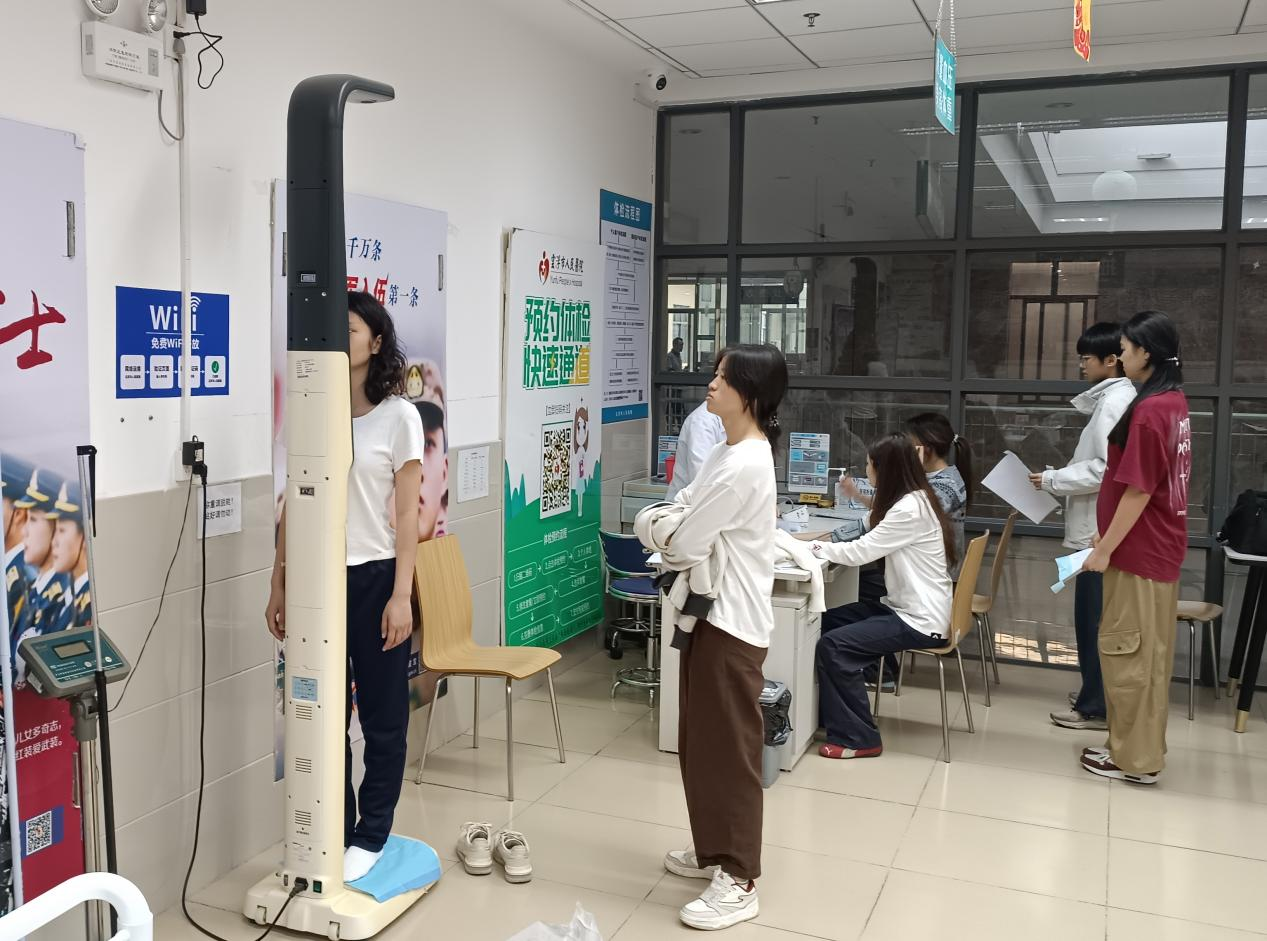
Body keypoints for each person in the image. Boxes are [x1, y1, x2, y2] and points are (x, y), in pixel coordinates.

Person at [265, 291, 425, 881]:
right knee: (320, 713)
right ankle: (333, 826)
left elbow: (406, 516)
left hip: (375, 578)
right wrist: (279, 582)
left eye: (350, 328)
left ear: (376, 343)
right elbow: (293, 504)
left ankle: (372, 832)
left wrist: (402, 596)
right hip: (315, 579)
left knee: (382, 718)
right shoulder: (311, 409)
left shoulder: (400, 417)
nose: (338, 336)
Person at [654, 344, 787, 931]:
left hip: (730, 625)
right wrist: (671, 523)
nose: (710, 384)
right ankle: (713, 849)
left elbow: (683, 540)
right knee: (701, 743)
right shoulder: (725, 452)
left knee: (730, 753)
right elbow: (682, 508)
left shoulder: (745, 464)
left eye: (723, 378)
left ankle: (739, 877)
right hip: (706, 619)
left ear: (749, 394)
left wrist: (664, 528)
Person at [1079, 311, 1191, 786]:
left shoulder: (1149, 411)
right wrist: (1106, 536)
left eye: (1124, 350)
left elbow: (1140, 490)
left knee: (1130, 657)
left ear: (1146, 352)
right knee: (1145, 657)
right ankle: (1133, 748)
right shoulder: (1172, 401)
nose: (1120, 357)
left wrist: (1105, 548)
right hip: (1153, 548)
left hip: (1140, 554)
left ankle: (1135, 759)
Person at [809, 434, 957, 759]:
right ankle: (826, 715)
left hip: (919, 620)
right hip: (906, 610)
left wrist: (810, 548)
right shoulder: (909, 500)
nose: (866, 470)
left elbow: (860, 552)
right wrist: (803, 542)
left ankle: (859, 738)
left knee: (834, 645)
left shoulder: (909, 509)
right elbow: (860, 530)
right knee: (822, 622)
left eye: (868, 464)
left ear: (883, 469)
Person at [1029, 323, 1135, 732]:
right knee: (1092, 619)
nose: (1081, 365)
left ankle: (1096, 707)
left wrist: (1053, 480)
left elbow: (1106, 470)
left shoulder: (1115, 402)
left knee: (1093, 621)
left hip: (1097, 534)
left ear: (1111, 360)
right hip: (1096, 530)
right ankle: (1094, 693)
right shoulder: (1114, 399)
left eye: (1086, 358)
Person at [665, 399, 727, 502]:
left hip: (712, 502)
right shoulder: (702, 421)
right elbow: (701, 479)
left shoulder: (733, 419)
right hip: (690, 506)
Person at [49, 481, 91, 633]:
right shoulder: (66, 598)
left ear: (85, 536)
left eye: (61, 530)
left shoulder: (89, 605)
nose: (54, 542)